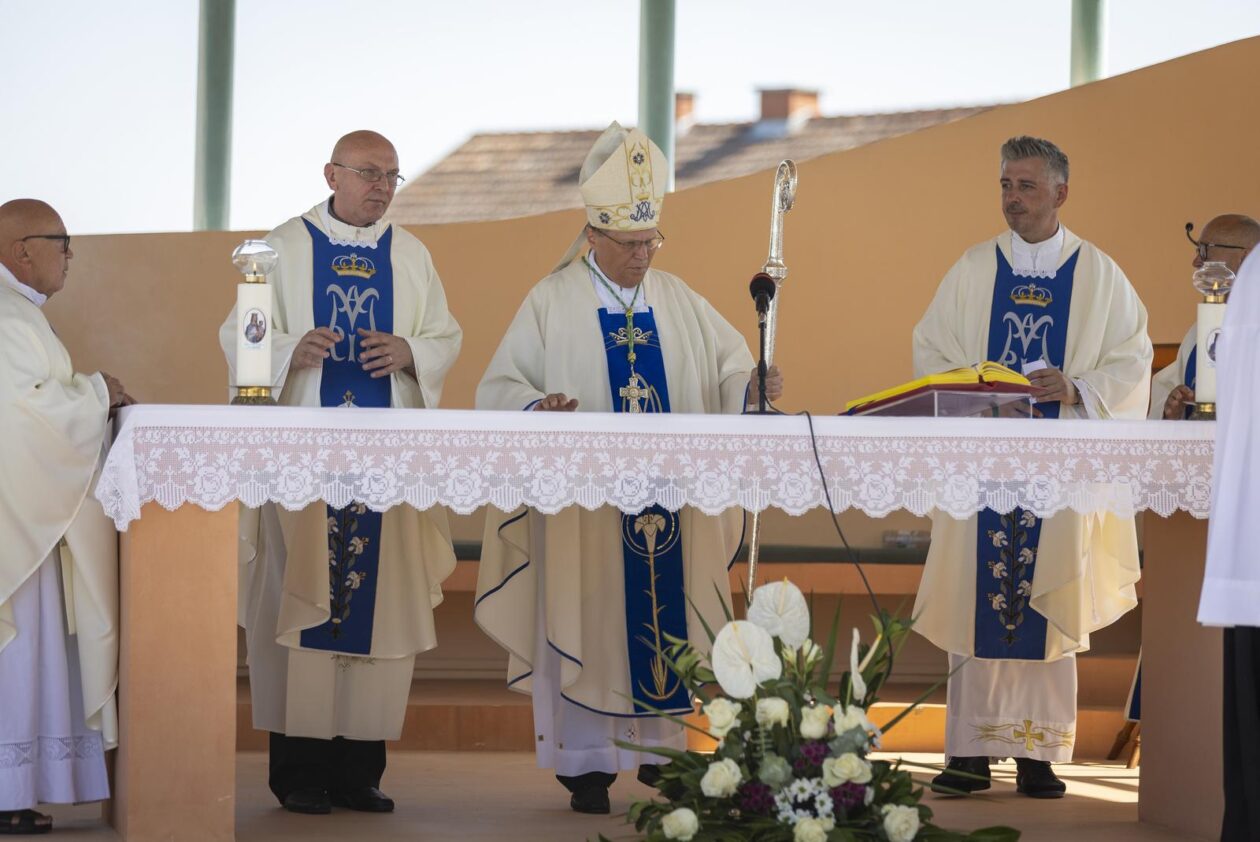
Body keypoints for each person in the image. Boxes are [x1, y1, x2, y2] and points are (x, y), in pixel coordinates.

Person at [474, 122, 783, 815]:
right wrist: (537, 406)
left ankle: (659, 760)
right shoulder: (552, 300)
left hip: (670, 500)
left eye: (651, 242)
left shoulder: (676, 297)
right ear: (593, 236)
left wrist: (751, 384)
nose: (643, 255)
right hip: (587, 511)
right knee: (589, 617)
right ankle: (586, 768)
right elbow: (502, 385)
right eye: (630, 244)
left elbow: (730, 364)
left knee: (664, 627)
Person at [218, 130, 462, 815]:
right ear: (332, 174)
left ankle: (360, 771)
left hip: (386, 464)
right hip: (304, 464)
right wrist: (290, 350)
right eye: (369, 173)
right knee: (300, 599)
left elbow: (444, 336)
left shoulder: (410, 254)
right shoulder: (281, 248)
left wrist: (410, 351)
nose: (382, 187)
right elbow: (240, 336)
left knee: (379, 610)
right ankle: (299, 772)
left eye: (391, 176)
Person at [912, 137, 1152, 799]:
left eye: (1025, 186)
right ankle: (968, 752)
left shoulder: (1099, 274)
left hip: (1059, 467)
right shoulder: (973, 269)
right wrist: (979, 391)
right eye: (1005, 185)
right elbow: (931, 347)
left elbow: (1133, 359)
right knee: (976, 599)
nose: (1012, 199)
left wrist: (1077, 387)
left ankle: (1037, 752)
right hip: (983, 463)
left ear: (1060, 193)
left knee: (1050, 596)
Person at [0, 199, 128, 834]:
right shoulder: (6, 316)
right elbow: (25, 415)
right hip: (17, 529)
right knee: (19, 653)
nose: (70, 253)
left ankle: (20, 790)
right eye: (61, 240)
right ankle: (8, 793)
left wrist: (91, 394)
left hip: (30, 517)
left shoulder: (21, 313)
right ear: (23, 249)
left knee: (30, 655)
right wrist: (99, 391)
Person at [1150, 214, 1260, 420]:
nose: (1196, 261)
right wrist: (1173, 413)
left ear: (1245, 257)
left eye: (1205, 250)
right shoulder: (1201, 330)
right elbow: (1167, 391)